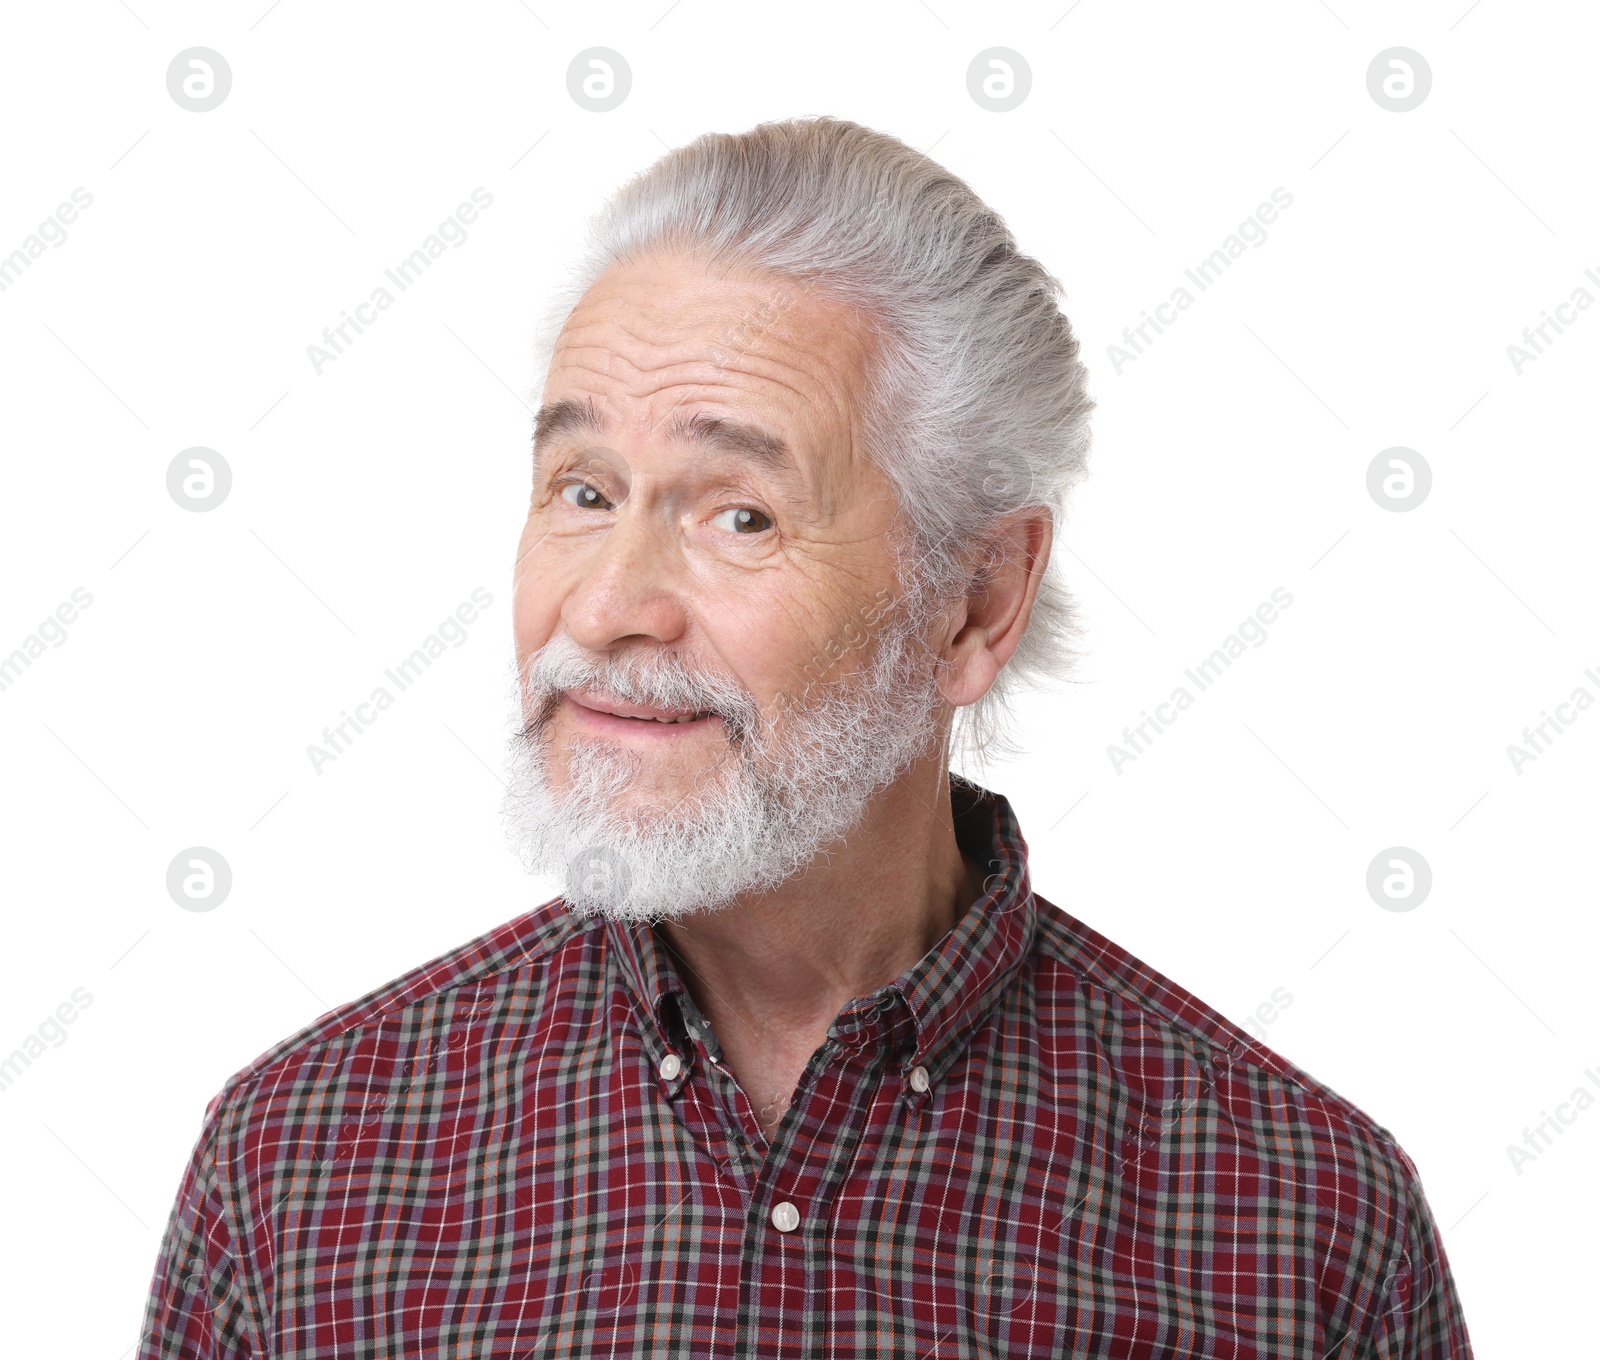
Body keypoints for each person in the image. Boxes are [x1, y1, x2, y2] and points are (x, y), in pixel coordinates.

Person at [139, 115, 1473, 1357]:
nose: (605, 608)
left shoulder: (1308, 1228)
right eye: (585, 490)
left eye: (742, 516)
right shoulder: (292, 1170)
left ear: (977, 598)